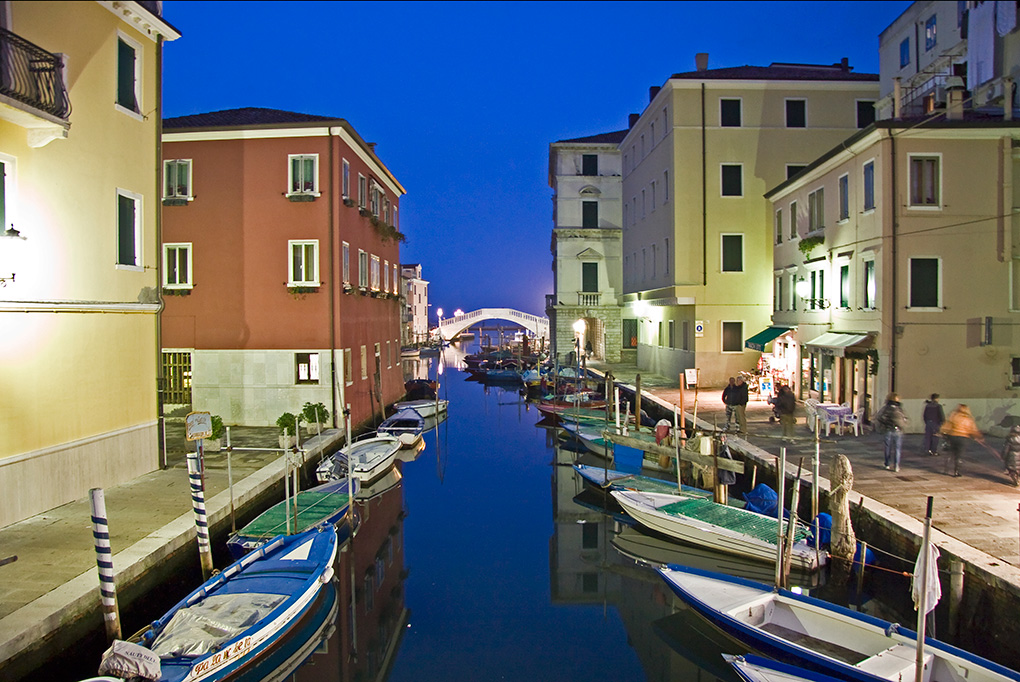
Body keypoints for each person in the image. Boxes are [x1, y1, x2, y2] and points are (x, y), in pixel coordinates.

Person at [940, 404, 984, 478]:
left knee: (951, 452)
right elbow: (972, 430)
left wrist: (943, 433)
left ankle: (946, 468)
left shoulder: (953, 416)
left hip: (953, 436)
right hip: (963, 438)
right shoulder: (968, 419)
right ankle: (956, 471)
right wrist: (979, 437)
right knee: (959, 454)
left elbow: (946, 426)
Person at [874, 392, 908, 472]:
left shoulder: (886, 408)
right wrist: (903, 424)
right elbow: (903, 419)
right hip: (897, 430)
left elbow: (879, 417)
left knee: (887, 447)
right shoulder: (899, 408)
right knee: (897, 448)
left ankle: (887, 463)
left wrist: (884, 425)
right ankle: (896, 465)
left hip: (888, 430)